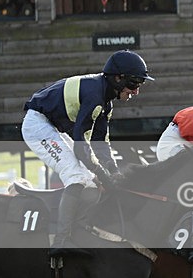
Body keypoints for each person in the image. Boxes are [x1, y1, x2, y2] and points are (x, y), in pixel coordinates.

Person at [21, 49, 153, 256]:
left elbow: (101, 143)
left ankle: (78, 231)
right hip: (37, 126)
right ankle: (61, 240)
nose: (136, 91)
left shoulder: (105, 102)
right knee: (76, 175)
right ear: (118, 78)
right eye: (134, 83)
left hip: (51, 126)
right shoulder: (94, 96)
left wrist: (113, 172)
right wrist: (102, 173)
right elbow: (81, 146)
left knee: (90, 180)